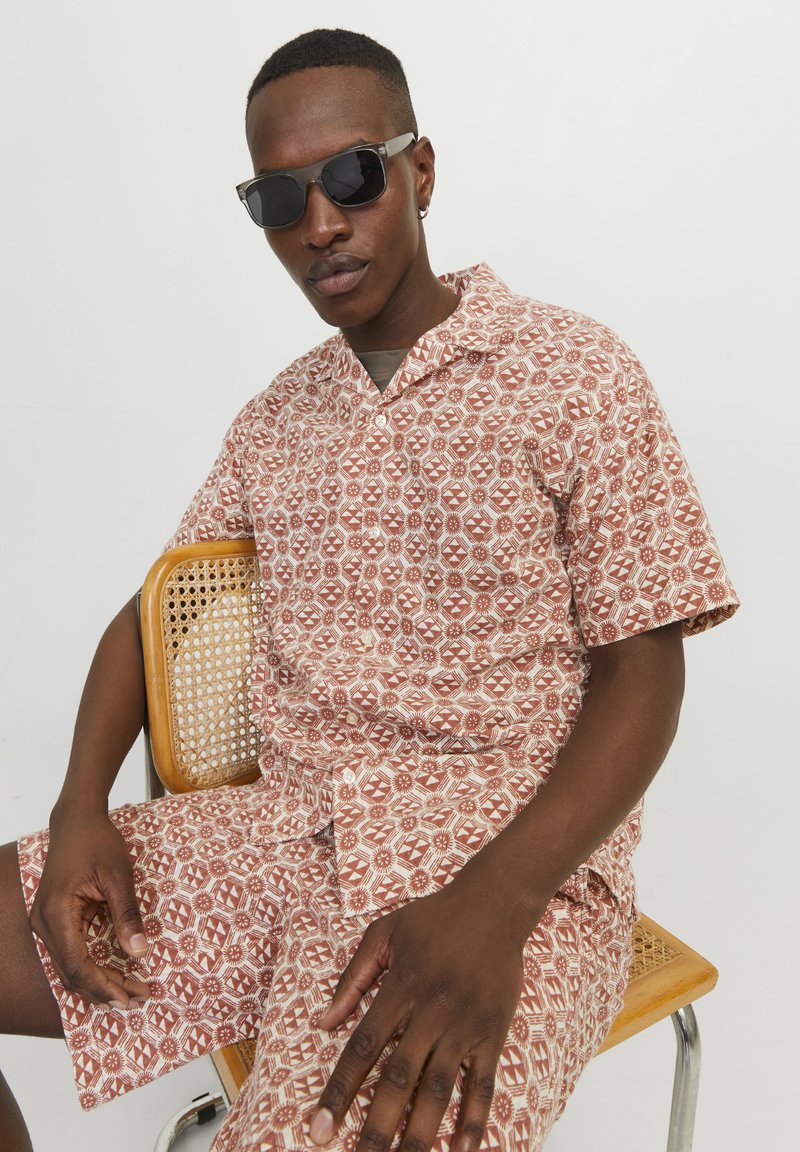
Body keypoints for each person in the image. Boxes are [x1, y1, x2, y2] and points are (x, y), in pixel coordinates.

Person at [0, 27, 738, 1152]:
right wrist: (80, 809)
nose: (320, 224)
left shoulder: (575, 374)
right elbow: (150, 620)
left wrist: (498, 903)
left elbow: (645, 674)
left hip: (509, 863)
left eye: (351, 175)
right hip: (283, 834)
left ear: (419, 171)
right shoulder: (274, 420)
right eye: (277, 199)